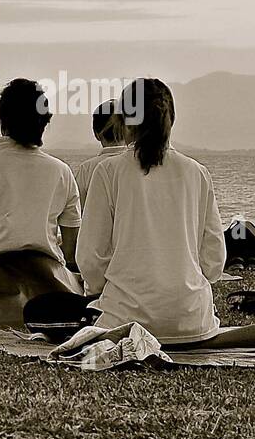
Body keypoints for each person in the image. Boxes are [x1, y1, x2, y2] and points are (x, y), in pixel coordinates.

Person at [76, 78, 227, 345]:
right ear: (171, 119)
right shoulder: (197, 172)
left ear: (123, 122)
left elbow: (90, 258)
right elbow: (214, 260)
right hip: (192, 323)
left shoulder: (109, 171)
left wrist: (103, 292)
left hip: (125, 321)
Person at [0, 78, 80, 280]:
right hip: (46, 281)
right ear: (43, 123)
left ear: (2, 120)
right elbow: (70, 248)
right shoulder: (62, 172)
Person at [73, 98, 127, 201]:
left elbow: (77, 210)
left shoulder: (86, 169)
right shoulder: (140, 164)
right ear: (127, 130)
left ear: (96, 134)